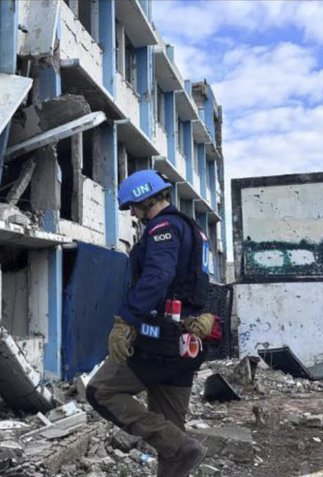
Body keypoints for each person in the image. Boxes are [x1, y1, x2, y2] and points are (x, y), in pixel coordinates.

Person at [85, 170, 215, 477]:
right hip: (186, 342)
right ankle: (180, 449)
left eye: (133, 206)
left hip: (160, 340)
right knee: (171, 437)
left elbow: (158, 276)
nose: (133, 213)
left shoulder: (163, 227)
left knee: (101, 391)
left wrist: (126, 319)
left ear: (146, 199)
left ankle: (183, 448)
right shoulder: (194, 230)